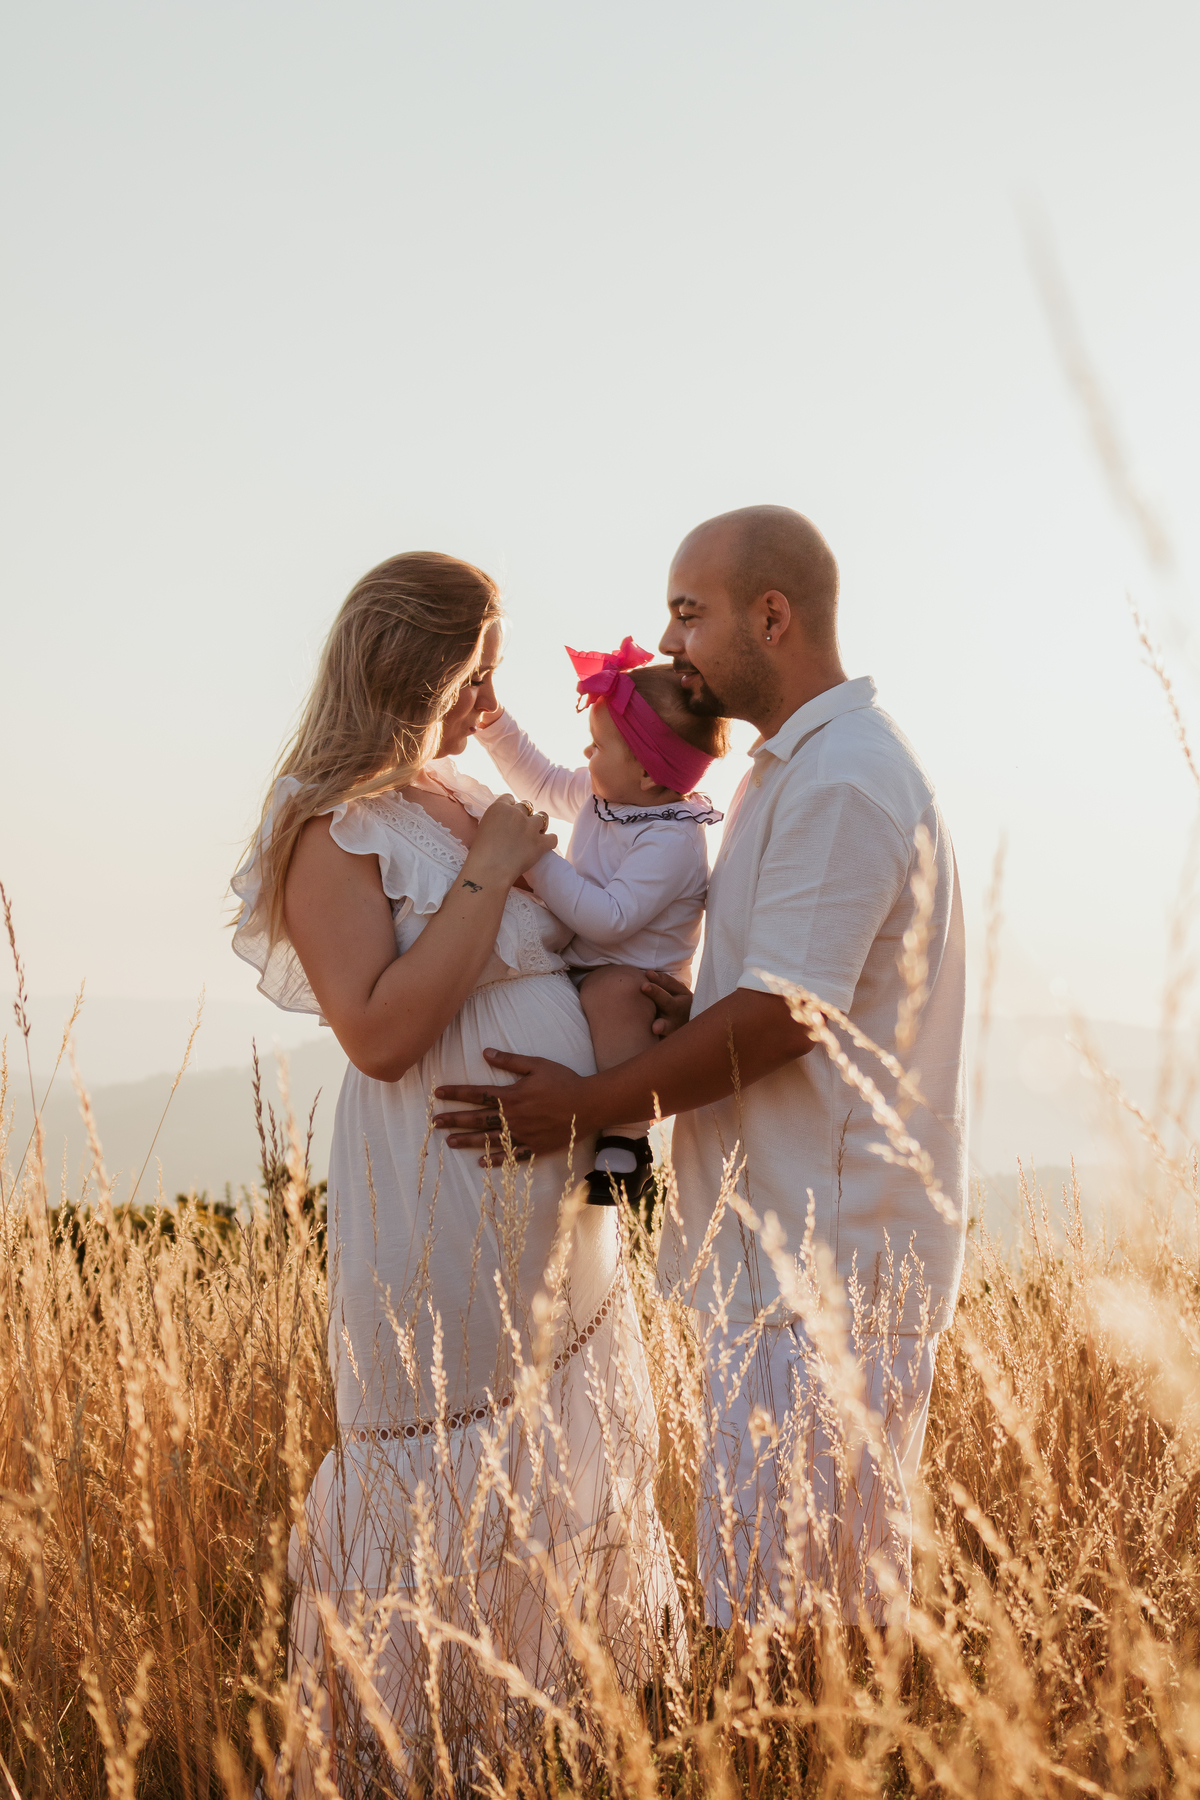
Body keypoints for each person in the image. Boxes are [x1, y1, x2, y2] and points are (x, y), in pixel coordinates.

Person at [433, 507, 967, 1630]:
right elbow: (781, 989)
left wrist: (583, 1105)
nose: (668, 640)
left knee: (802, 1644)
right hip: (791, 1259)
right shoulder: (799, 769)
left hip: (826, 1268)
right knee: (787, 1622)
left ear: (771, 616)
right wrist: (695, 1004)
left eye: (689, 610)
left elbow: (785, 1019)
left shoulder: (840, 781)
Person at [231, 552, 683, 1787]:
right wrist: (490, 869)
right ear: (419, 662)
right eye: (479, 661)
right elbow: (377, 1032)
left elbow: (582, 942)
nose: (493, 689)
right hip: (435, 1203)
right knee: (444, 1473)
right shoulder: (331, 824)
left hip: (561, 1203)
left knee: (567, 1466)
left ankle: (554, 1748)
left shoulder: (460, 790)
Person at [475, 634, 728, 1207]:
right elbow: (538, 780)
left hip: (639, 981)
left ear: (645, 772)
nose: (586, 757)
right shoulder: (606, 799)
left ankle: (628, 1140)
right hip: (583, 963)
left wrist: (534, 859)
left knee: (615, 995)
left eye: (597, 746)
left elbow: (610, 919)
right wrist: (492, 722)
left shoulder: (671, 838)